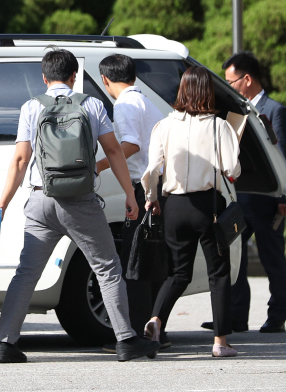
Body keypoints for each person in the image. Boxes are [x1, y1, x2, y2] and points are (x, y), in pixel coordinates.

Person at [0, 47, 160, 363]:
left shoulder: (31, 107)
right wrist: (129, 193)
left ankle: (5, 343)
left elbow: (20, 159)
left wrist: (2, 203)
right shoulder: (92, 105)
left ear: (44, 78)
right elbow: (113, 152)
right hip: (80, 201)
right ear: (75, 76)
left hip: (41, 199)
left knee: (26, 272)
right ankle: (126, 340)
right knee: (107, 266)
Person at [142, 66, 241, 357]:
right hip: (207, 206)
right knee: (218, 273)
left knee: (178, 273)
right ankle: (220, 343)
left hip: (173, 206)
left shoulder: (164, 125)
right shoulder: (218, 126)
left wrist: (152, 199)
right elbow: (232, 168)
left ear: (182, 90)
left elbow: (151, 171)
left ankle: (156, 319)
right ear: (207, 91)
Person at [202, 51, 286, 333]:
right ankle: (235, 316)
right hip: (237, 197)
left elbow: (283, 155)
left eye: (231, 81)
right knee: (234, 256)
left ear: (248, 79)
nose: (229, 87)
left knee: (271, 257)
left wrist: (285, 196)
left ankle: (278, 314)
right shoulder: (233, 111)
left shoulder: (274, 110)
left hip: (267, 199)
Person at [94, 54, 171, 351]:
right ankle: (155, 332)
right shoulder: (145, 101)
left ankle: (138, 335)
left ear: (105, 80)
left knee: (135, 261)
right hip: (159, 186)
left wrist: (98, 165)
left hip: (145, 188)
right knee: (151, 261)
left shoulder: (125, 104)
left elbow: (130, 144)